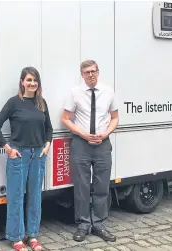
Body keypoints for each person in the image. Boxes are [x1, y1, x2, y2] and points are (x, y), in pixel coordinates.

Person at [0, 66, 53, 251]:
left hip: (38, 155)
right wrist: (8, 149)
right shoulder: (14, 103)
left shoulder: (41, 103)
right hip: (19, 155)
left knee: (35, 197)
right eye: (29, 80)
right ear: (22, 82)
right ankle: (17, 237)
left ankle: (32, 236)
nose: (32, 83)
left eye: (35, 80)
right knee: (16, 197)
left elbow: (49, 128)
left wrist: (47, 145)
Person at [61, 60, 119, 242]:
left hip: (102, 144)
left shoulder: (108, 91)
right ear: (82, 74)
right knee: (82, 186)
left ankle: (99, 224)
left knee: (102, 186)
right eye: (87, 72)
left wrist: (105, 133)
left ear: (98, 72)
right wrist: (84, 134)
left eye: (93, 71)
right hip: (81, 144)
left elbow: (115, 118)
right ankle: (83, 224)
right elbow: (66, 118)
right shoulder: (75, 93)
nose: (91, 74)